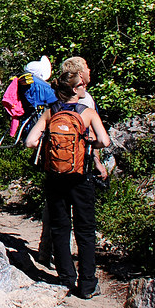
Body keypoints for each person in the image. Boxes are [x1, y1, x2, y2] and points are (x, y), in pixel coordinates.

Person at [26, 68, 110, 298]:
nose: (85, 88)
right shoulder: (88, 113)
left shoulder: (50, 113)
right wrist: (88, 143)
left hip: (55, 177)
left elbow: (30, 142)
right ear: (75, 90)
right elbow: (105, 140)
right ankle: (87, 284)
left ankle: (66, 278)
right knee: (85, 230)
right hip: (80, 177)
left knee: (60, 228)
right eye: (82, 85)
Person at [36, 56, 98, 266]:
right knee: (84, 227)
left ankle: (51, 258)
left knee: (57, 220)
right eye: (87, 68)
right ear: (80, 76)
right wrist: (97, 161)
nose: (89, 71)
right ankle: (87, 278)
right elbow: (94, 139)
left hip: (55, 170)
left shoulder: (53, 106)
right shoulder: (86, 103)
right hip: (79, 171)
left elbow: (30, 141)